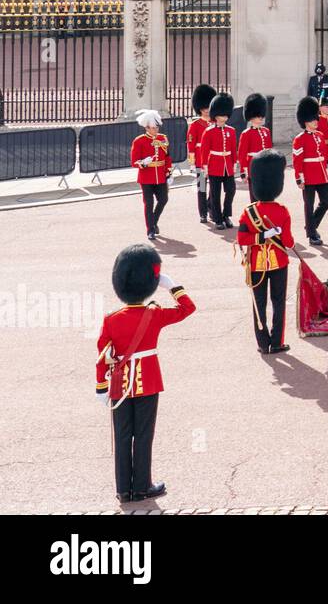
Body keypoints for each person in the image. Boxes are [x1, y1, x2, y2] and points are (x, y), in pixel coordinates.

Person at [96, 244, 194, 503]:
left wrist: (101, 388)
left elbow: (102, 356)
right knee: (143, 436)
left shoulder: (111, 319)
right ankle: (141, 486)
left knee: (122, 436)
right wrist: (172, 285)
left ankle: (123, 489)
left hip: (118, 385)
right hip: (148, 382)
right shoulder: (155, 314)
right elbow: (187, 308)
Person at [236, 150, 295, 354]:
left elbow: (241, 239)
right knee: (279, 303)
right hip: (278, 262)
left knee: (258, 304)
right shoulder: (282, 210)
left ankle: (263, 343)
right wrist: (271, 234)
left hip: (255, 263)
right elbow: (287, 242)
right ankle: (277, 341)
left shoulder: (248, 211)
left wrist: (259, 238)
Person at [292, 97, 328, 246]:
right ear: (305, 121)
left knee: (326, 201)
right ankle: (312, 234)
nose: (316, 121)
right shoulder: (299, 139)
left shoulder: (320, 136)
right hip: (308, 175)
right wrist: (299, 178)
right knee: (308, 205)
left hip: (321, 173)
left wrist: (326, 168)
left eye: (316, 119)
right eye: (312, 120)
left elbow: (323, 155)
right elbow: (297, 160)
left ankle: (311, 225)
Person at [131, 109, 172, 240]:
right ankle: (150, 229)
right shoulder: (139, 141)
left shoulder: (163, 138)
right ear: (147, 128)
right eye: (153, 128)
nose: (156, 130)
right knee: (148, 203)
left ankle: (153, 222)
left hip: (160, 175)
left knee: (163, 200)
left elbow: (167, 157)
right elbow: (134, 161)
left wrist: (169, 172)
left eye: (157, 127)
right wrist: (143, 163)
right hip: (146, 177)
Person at [199, 92, 237, 229]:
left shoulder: (231, 131)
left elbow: (233, 149)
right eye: (222, 115)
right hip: (214, 165)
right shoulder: (209, 131)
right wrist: (205, 167)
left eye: (226, 115)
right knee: (215, 194)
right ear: (216, 115)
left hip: (228, 165)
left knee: (231, 190)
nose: (224, 118)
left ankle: (226, 214)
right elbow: (204, 150)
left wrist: (235, 163)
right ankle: (218, 218)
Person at [186, 84, 216, 224]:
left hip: (214, 160)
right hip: (199, 161)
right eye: (204, 108)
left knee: (214, 188)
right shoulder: (195, 124)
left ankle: (211, 207)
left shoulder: (215, 123)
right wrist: (192, 163)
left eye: (208, 107)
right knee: (202, 188)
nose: (206, 111)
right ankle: (203, 213)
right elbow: (191, 145)